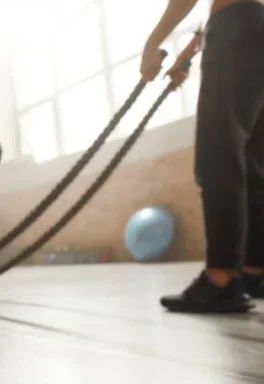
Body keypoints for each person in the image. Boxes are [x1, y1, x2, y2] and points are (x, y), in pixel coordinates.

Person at [141, 0, 264, 313]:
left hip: (235, 27)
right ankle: (254, 272)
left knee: (219, 156)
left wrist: (153, 43)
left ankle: (221, 280)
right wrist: (192, 49)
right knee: (253, 160)